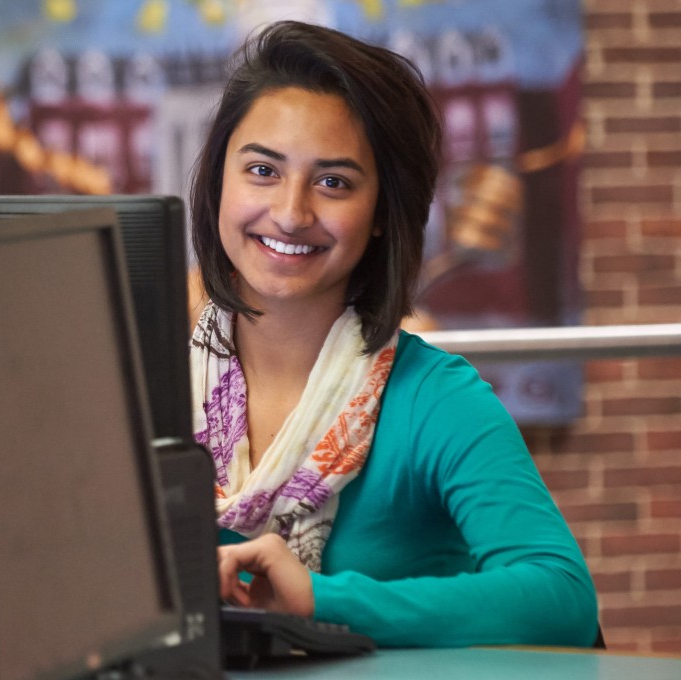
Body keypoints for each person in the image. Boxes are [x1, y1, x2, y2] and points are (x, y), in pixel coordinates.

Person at [188, 20, 599, 648]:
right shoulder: (148, 387)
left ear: (381, 213)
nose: (292, 212)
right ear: (220, 181)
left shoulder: (434, 398)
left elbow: (561, 595)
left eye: (333, 182)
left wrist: (322, 599)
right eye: (263, 170)